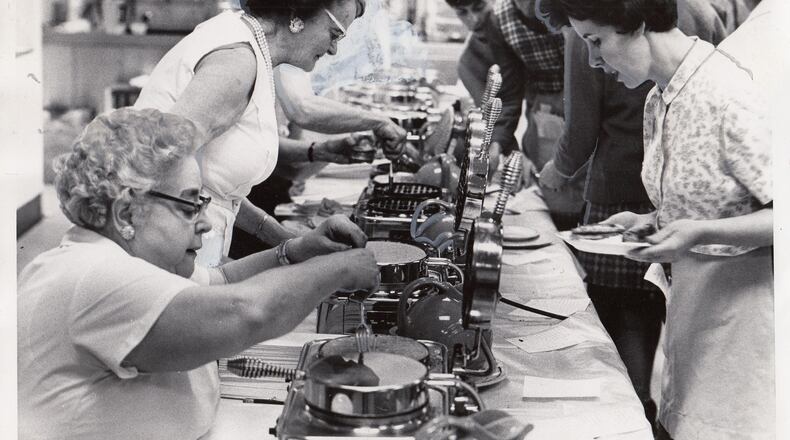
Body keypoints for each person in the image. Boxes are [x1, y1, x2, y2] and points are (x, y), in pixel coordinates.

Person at [17, 108, 379, 440]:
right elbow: (244, 312)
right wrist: (337, 269)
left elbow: (221, 282)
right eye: (190, 204)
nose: (205, 223)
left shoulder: (126, 260)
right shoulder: (91, 276)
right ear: (127, 213)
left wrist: (296, 250)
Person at [536, 1, 773, 439]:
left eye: (596, 41)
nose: (592, 60)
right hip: (696, 313)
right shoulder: (659, 98)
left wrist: (701, 232)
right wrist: (651, 219)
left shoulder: (727, 94)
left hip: (746, 326)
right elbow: (714, 198)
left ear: (639, 25)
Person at [134, 0, 395, 267]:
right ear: (297, 13)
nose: (333, 49)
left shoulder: (247, 45)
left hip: (192, 250)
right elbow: (161, 167)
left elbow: (217, 189)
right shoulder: (237, 61)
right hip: (171, 253)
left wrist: (286, 240)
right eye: (334, 33)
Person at [229, 62, 407, 258]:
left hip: (251, 205)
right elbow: (302, 110)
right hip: (248, 207)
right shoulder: (249, 60)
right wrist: (378, 122)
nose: (333, 50)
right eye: (334, 34)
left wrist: (323, 151)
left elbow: (274, 151)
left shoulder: (282, 65)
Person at [478, 0, 584, 230]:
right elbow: (509, 91)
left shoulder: (571, 7)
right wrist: (496, 142)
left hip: (587, 102)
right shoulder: (498, 20)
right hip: (542, 113)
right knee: (549, 195)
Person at [445, 0, 497, 106]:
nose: (474, 19)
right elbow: (492, 116)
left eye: (479, 8)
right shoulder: (467, 64)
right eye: (462, 12)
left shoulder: (524, 31)